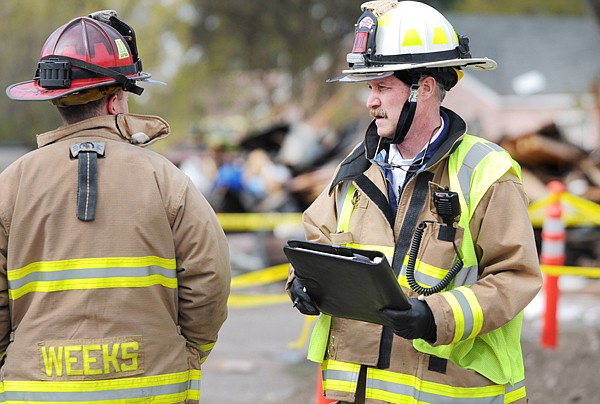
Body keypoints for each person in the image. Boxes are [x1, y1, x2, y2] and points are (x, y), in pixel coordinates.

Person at [286, 1, 542, 403]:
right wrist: (301, 283)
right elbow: (315, 244)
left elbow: (515, 277)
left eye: (382, 87)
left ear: (423, 88)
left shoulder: (485, 171)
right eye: (369, 88)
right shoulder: (357, 169)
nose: (370, 102)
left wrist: (434, 317)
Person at [2, 10, 230, 403]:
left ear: (54, 98)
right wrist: (189, 352)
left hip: (35, 389)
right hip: (153, 387)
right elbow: (210, 280)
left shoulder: (11, 184)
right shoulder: (168, 180)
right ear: (115, 100)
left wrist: (14, 358)